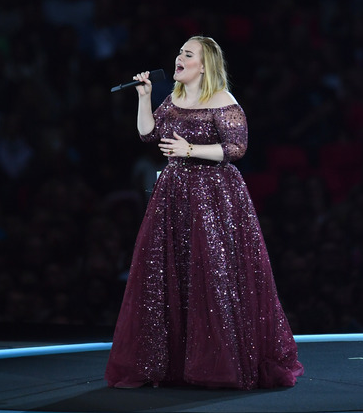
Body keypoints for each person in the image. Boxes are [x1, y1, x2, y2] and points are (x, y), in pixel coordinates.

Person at [105, 36, 304, 389]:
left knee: (212, 273)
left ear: (204, 64)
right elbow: (148, 135)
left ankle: (218, 363)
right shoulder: (175, 98)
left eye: (187, 53)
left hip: (213, 195)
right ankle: (175, 363)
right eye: (179, 52)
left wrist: (190, 148)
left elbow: (236, 148)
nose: (178, 57)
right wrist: (145, 97)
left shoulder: (223, 100)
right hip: (174, 194)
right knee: (172, 271)